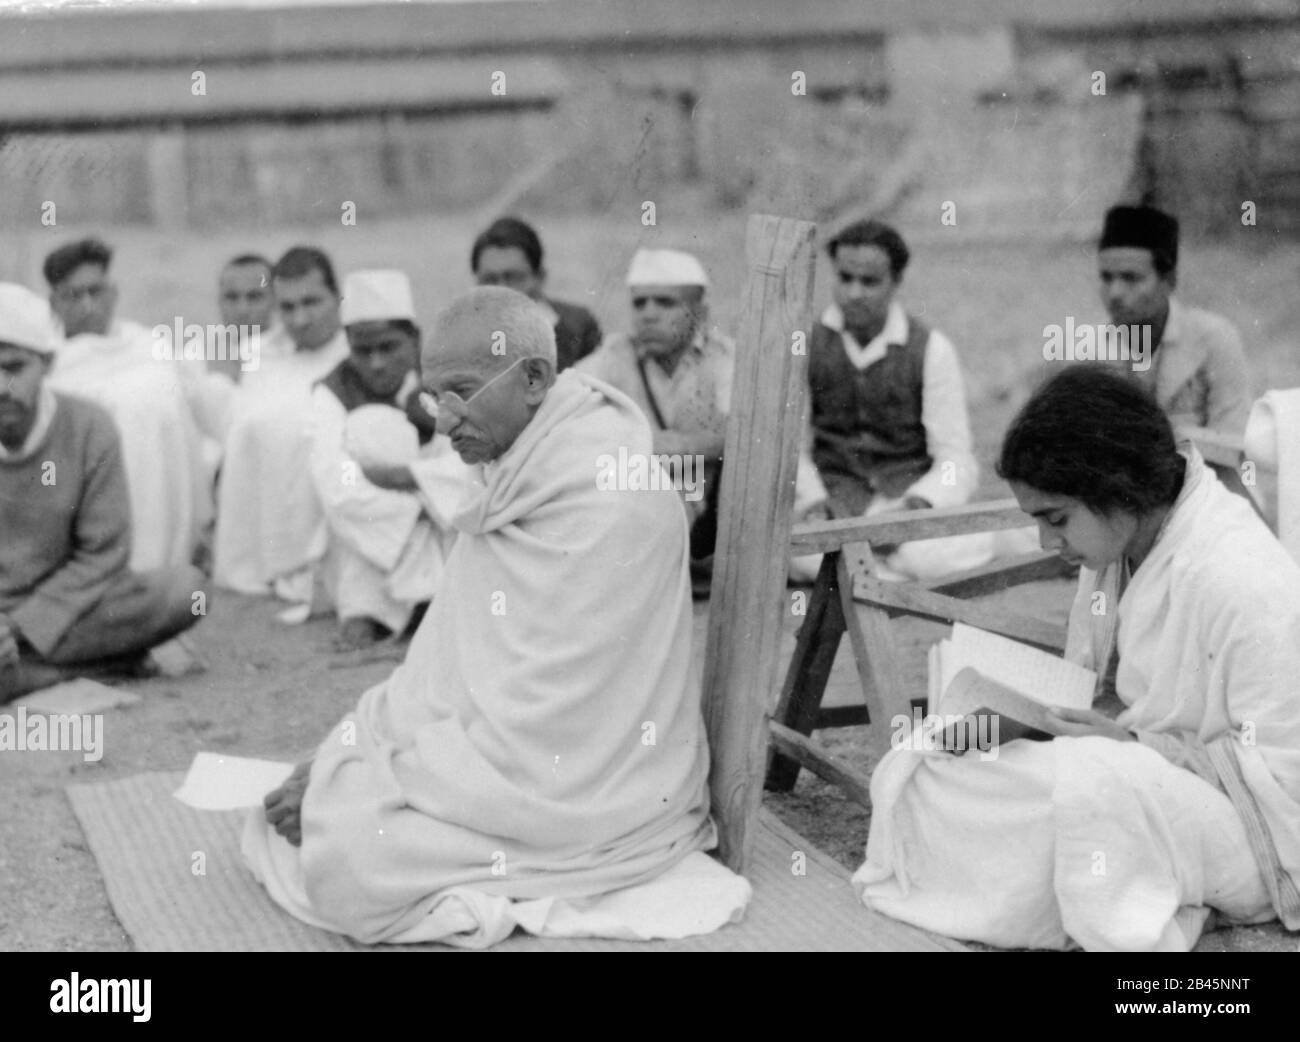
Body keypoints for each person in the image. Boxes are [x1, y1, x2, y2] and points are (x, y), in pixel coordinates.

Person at [244, 287, 747, 947]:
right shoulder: (521, 472)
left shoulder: (611, 502)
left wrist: (372, 770)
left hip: (597, 796)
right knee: (315, 800)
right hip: (511, 769)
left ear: (534, 377)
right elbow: (448, 668)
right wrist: (353, 747)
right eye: (432, 398)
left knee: (347, 850)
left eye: (460, 392)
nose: (443, 420)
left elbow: (549, 721)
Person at [855, 365, 1300, 951]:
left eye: (1056, 519)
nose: (1046, 543)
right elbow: (1103, 692)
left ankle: (1122, 905)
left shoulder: (1242, 575)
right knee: (928, 761)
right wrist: (1036, 722)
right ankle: (1105, 881)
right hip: (1135, 784)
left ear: (1118, 489)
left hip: (1246, 831)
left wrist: (1137, 748)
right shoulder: (1124, 544)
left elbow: (1284, 781)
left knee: (1096, 788)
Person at [0, 284, 205, 703]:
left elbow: (103, 553)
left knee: (186, 591)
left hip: (70, 608)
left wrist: (20, 626)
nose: (1, 387)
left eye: (14, 367)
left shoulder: (88, 428)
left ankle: (25, 674)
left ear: (47, 364)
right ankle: (100, 663)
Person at [790, 219, 987, 583]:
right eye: (845, 278)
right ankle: (875, 574)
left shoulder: (931, 349)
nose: (854, 293)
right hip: (836, 502)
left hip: (904, 501)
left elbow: (956, 456)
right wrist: (815, 500)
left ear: (895, 282)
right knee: (796, 550)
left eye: (869, 282)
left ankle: (861, 575)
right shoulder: (808, 344)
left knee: (926, 556)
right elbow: (791, 446)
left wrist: (915, 507)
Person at [42, 237, 228, 573]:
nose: (88, 305)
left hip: (163, 493)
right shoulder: (47, 364)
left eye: (95, 292)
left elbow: (201, 409)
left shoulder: (147, 344)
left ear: (112, 293)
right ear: (54, 302)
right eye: (74, 295)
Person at [307, 270, 470, 649]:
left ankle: (427, 604)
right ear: (348, 345)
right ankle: (372, 611)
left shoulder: (441, 383)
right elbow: (336, 484)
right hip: (376, 532)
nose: (376, 363)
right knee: (369, 429)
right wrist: (423, 503)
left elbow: (468, 465)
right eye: (364, 351)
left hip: (440, 518)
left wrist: (408, 476)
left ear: (414, 340)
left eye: (388, 347)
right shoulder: (331, 393)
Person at [574, 248, 732, 579]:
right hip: (634, 503)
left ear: (699, 312)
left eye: (665, 303)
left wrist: (663, 445)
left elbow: (743, 436)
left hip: (708, 515)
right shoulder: (615, 355)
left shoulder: (725, 359)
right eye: (639, 302)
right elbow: (562, 405)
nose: (648, 314)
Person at [212, 246, 350, 609]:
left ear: (337, 298)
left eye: (311, 302)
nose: (300, 319)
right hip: (264, 537)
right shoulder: (263, 355)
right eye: (287, 307)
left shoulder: (358, 354)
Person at [1097, 204, 1251, 439]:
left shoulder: (1214, 339)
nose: (1114, 293)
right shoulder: (1094, 351)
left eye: (1131, 278)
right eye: (1107, 278)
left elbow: (1232, 443)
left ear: (1169, 280)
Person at [471, 216, 602, 371]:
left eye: (513, 278)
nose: (502, 290)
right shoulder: (459, 338)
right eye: (489, 279)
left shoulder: (578, 327)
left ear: (539, 277)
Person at [211, 253, 276, 385]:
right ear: (219, 300)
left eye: (254, 297)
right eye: (232, 297)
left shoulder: (294, 354)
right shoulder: (198, 355)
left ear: (275, 299)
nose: (242, 310)